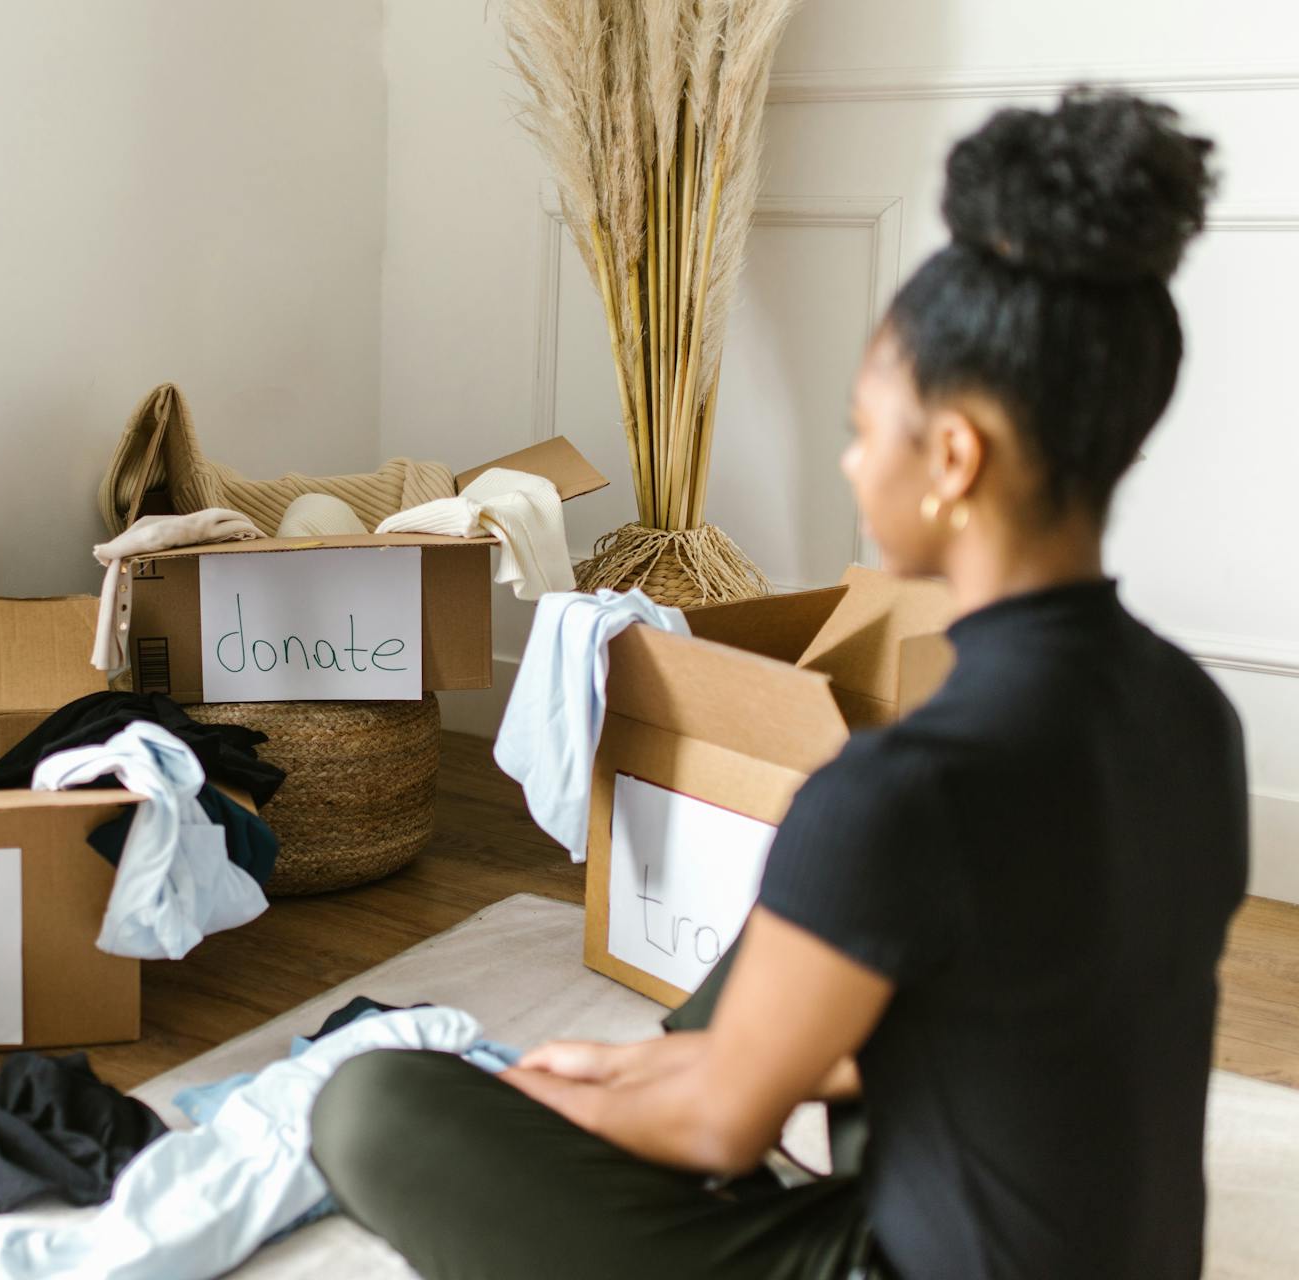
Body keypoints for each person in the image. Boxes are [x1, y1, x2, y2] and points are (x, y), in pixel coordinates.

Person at [309, 88, 1246, 1280]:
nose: (854, 461)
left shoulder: (905, 784)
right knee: (798, 950)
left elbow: (717, 1132)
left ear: (953, 456)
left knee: (371, 1105)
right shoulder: (1192, 714)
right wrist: (664, 1070)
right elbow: (1042, 1024)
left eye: (866, 429)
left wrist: (559, 1093)